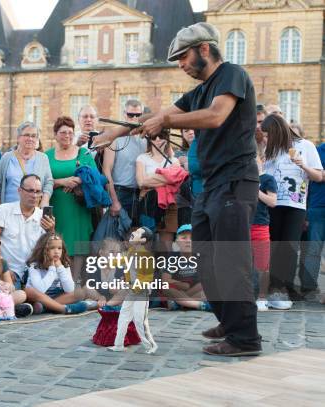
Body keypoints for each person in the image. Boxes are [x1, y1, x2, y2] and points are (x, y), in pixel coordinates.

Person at [100, 22, 261, 356]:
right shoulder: (198, 91)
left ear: (204, 49)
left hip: (235, 181)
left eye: (183, 57)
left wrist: (166, 122)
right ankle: (230, 321)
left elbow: (216, 116)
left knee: (232, 260)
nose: (180, 65)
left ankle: (245, 337)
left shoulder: (231, 74)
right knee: (206, 257)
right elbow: (159, 116)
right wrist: (114, 135)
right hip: (212, 186)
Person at [262, 114, 323, 308]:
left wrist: (302, 165)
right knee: (274, 245)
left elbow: (319, 176)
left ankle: (283, 287)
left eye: (267, 134)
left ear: (277, 131)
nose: (265, 139)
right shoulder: (269, 149)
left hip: (296, 205)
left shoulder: (306, 146)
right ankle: (274, 287)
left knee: (289, 246)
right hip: (273, 203)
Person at [0, 174, 56, 286]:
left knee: (65, 289)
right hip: (7, 270)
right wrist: (2, 268)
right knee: (14, 293)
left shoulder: (43, 217)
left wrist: (51, 232)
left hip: (35, 271)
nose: (34, 195)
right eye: (30, 191)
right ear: (19, 190)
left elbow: (52, 250)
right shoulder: (3, 210)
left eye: (38, 191)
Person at [45, 116, 97, 257]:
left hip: (79, 207)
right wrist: (63, 182)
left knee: (79, 247)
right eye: (63, 132)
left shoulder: (83, 153)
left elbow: (95, 176)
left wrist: (77, 180)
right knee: (56, 247)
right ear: (55, 134)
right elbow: (41, 182)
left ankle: (77, 279)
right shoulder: (46, 156)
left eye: (70, 132)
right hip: (56, 208)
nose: (67, 136)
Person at [24, 233, 92, 314]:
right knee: (29, 291)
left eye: (59, 248)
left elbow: (69, 289)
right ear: (43, 250)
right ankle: (63, 309)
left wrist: (60, 268)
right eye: (52, 248)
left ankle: (45, 307)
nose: (56, 251)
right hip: (40, 296)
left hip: (57, 296)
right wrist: (52, 269)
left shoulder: (64, 264)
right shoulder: (34, 266)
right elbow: (40, 290)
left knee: (79, 292)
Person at [102, 100, 147, 220]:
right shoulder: (115, 137)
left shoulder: (146, 137)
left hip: (143, 192)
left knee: (140, 235)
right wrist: (114, 200)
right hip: (120, 192)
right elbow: (106, 171)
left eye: (138, 115)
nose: (134, 118)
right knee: (118, 236)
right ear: (124, 114)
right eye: (130, 115)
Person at [0, 122, 53, 208]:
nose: (30, 139)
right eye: (27, 135)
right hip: (8, 210)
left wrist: (44, 202)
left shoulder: (43, 158)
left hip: (33, 211)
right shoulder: (6, 157)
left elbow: (48, 182)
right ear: (18, 138)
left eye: (34, 136)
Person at [135, 131, 181, 243]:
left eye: (162, 136)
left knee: (166, 246)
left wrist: (151, 179)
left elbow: (177, 182)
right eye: (154, 136)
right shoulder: (142, 158)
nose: (158, 139)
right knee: (146, 241)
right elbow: (141, 182)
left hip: (169, 205)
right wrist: (167, 179)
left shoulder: (174, 161)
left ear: (167, 139)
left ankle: (165, 261)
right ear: (149, 140)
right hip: (148, 202)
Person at [161, 225, 210, 311]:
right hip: (178, 290)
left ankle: (181, 303)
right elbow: (165, 279)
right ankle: (198, 305)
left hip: (193, 291)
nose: (188, 241)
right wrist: (182, 284)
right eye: (184, 238)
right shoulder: (173, 258)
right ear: (177, 242)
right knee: (166, 287)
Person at [251, 155, 277, 311]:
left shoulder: (267, 179)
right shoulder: (241, 179)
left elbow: (272, 202)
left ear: (260, 159)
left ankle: (262, 298)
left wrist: (255, 189)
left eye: (254, 158)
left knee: (262, 265)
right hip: (242, 225)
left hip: (260, 226)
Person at [300, 141, 325, 299]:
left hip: (315, 206)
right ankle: (308, 288)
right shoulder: (317, 151)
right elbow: (311, 177)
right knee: (313, 250)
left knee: (313, 251)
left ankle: (310, 289)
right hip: (316, 206)